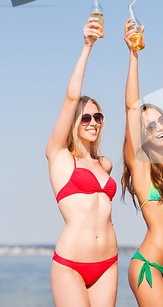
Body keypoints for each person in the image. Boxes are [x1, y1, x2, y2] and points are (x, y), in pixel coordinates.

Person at [46, 17, 118, 306]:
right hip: (71, 264)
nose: (92, 122)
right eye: (86, 117)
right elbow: (70, 96)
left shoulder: (105, 164)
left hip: (108, 262)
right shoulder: (59, 156)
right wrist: (88, 46)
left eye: (98, 117)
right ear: (74, 122)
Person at [121, 19, 163, 307]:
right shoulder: (141, 166)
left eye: (162, 120)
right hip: (149, 266)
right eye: (149, 126)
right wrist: (134, 55)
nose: (159, 127)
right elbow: (132, 108)